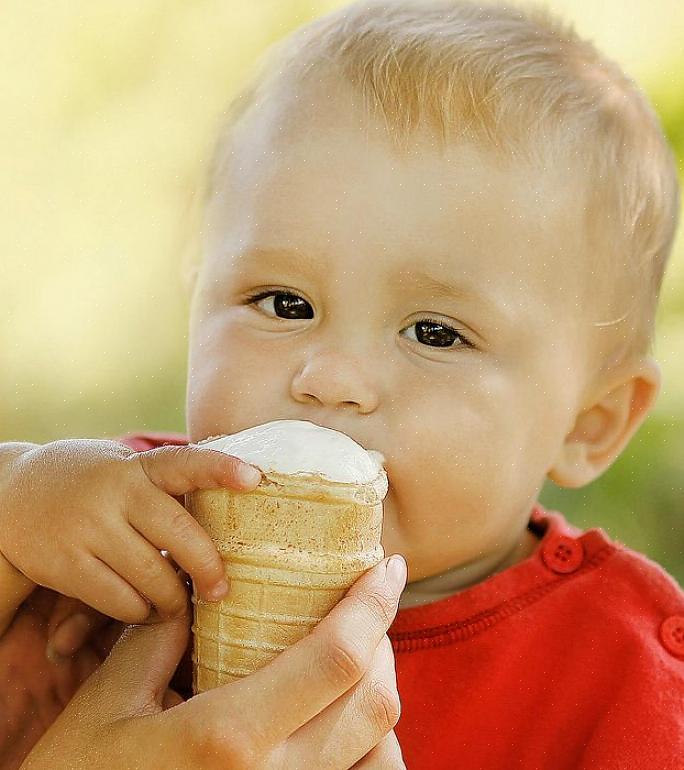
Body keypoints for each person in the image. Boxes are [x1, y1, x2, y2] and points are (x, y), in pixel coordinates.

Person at [1, 0, 683, 767]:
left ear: (589, 422)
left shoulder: (628, 684)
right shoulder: (112, 532)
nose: (329, 379)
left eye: (436, 333)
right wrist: (19, 492)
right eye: (284, 304)